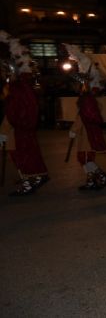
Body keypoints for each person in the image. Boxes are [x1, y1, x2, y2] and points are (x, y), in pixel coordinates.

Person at [0, 31, 49, 196]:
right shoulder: (17, 86)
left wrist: (9, 126)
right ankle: (29, 178)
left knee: (22, 154)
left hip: (19, 127)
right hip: (16, 126)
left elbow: (19, 108)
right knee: (18, 154)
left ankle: (31, 179)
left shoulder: (19, 86)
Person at [63, 44, 106, 191]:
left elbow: (82, 116)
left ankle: (101, 176)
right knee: (85, 157)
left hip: (86, 132)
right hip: (87, 132)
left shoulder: (86, 97)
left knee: (84, 158)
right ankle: (91, 180)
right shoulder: (87, 96)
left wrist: (74, 129)